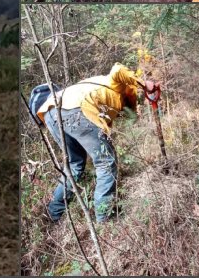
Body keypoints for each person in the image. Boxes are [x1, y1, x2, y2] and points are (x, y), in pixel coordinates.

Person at [35, 63, 158, 223]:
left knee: (75, 165)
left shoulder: (106, 97)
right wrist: (144, 83)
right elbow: (118, 69)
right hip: (76, 108)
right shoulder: (116, 84)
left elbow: (123, 118)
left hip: (51, 112)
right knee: (106, 162)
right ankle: (104, 219)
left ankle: (53, 215)